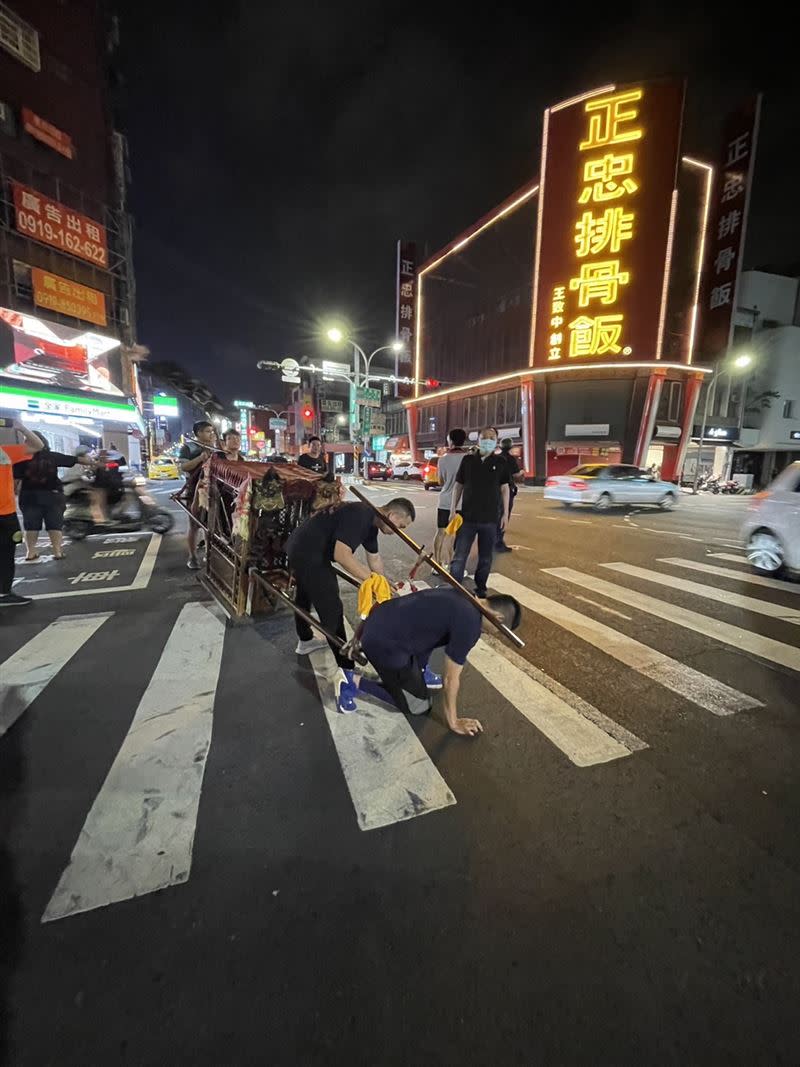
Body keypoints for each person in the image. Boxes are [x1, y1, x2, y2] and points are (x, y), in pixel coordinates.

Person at [286, 497, 416, 712]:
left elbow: (375, 560)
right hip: (308, 553)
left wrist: (384, 585)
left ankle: (305, 639)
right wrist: (371, 582)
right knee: (332, 610)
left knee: (305, 593)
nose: (399, 531)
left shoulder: (370, 524)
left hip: (301, 547)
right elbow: (342, 556)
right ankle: (345, 672)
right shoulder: (360, 514)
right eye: (401, 526)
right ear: (392, 516)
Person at [358, 587, 521, 735]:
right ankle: (352, 682)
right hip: (383, 644)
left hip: (377, 622)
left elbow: (428, 635)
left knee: (415, 684)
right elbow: (450, 679)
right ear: (498, 619)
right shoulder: (470, 623)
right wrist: (454, 722)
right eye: (499, 632)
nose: (495, 635)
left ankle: (395, 679)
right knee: (420, 706)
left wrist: (420, 671)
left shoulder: (466, 593)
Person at [449, 426, 510, 599]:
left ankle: (481, 589)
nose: (488, 440)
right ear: (478, 440)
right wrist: (453, 509)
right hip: (467, 517)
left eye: (492, 437)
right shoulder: (467, 460)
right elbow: (458, 485)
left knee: (485, 558)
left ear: (496, 441)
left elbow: (505, 489)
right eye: (485, 437)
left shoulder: (501, 463)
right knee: (459, 556)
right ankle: (454, 588)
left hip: (490, 519)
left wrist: (505, 515)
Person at [13, 435, 92, 560]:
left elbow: (15, 481)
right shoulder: (52, 456)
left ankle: (31, 552)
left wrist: (13, 492)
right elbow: (76, 459)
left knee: (31, 525)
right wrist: (94, 462)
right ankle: (57, 552)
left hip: (29, 496)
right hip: (53, 494)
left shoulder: (22, 459)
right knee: (54, 524)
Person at [1, 418, 45, 606]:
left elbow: (38, 445)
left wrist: (21, 428)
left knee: (6, 554)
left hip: (7, 515)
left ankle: (3, 593)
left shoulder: (5, 453)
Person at [179, 420, 217, 570]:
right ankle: (192, 556)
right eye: (208, 431)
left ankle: (209, 554)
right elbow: (183, 466)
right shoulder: (188, 447)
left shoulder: (215, 448)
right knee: (194, 525)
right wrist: (200, 459)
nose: (211, 434)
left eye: (212, 431)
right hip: (195, 489)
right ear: (199, 433)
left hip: (213, 490)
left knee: (212, 526)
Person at [433, 428, 469, 562]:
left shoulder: (442, 460)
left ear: (451, 441)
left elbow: (440, 481)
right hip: (462, 503)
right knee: (456, 535)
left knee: (441, 532)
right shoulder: (468, 459)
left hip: (445, 501)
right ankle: (453, 563)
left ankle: (437, 563)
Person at [495, 438, 523, 552]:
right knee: (504, 515)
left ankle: (493, 540)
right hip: (507, 489)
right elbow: (516, 474)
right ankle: (499, 542)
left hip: (495, 490)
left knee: (496, 515)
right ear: (510, 447)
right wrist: (522, 472)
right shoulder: (510, 459)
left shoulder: (497, 458)